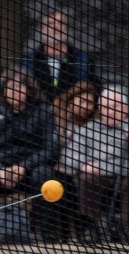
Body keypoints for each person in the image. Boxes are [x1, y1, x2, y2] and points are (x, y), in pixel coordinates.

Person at [57, 85, 129, 241]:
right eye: (105, 107)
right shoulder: (88, 129)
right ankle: (89, 227)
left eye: (115, 106)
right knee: (86, 178)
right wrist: (83, 165)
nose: (110, 111)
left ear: (125, 108)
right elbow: (69, 156)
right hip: (99, 174)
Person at [0, 68, 59, 244]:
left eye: (19, 87)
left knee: (45, 176)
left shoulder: (43, 111)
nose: (15, 91)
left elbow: (50, 149)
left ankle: (48, 235)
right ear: (3, 89)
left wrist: (23, 167)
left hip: (29, 170)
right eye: (10, 87)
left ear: (29, 90)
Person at [50, 80, 100, 242]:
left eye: (90, 103)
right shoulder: (56, 119)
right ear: (72, 99)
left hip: (84, 171)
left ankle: (85, 231)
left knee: (80, 183)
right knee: (61, 183)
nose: (86, 106)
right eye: (82, 101)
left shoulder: (95, 125)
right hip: (58, 168)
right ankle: (62, 234)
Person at [25, 8, 97, 102]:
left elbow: (89, 89)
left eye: (60, 22)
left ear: (67, 29)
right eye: (50, 23)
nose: (55, 27)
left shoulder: (83, 59)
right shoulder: (29, 59)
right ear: (41, 29)